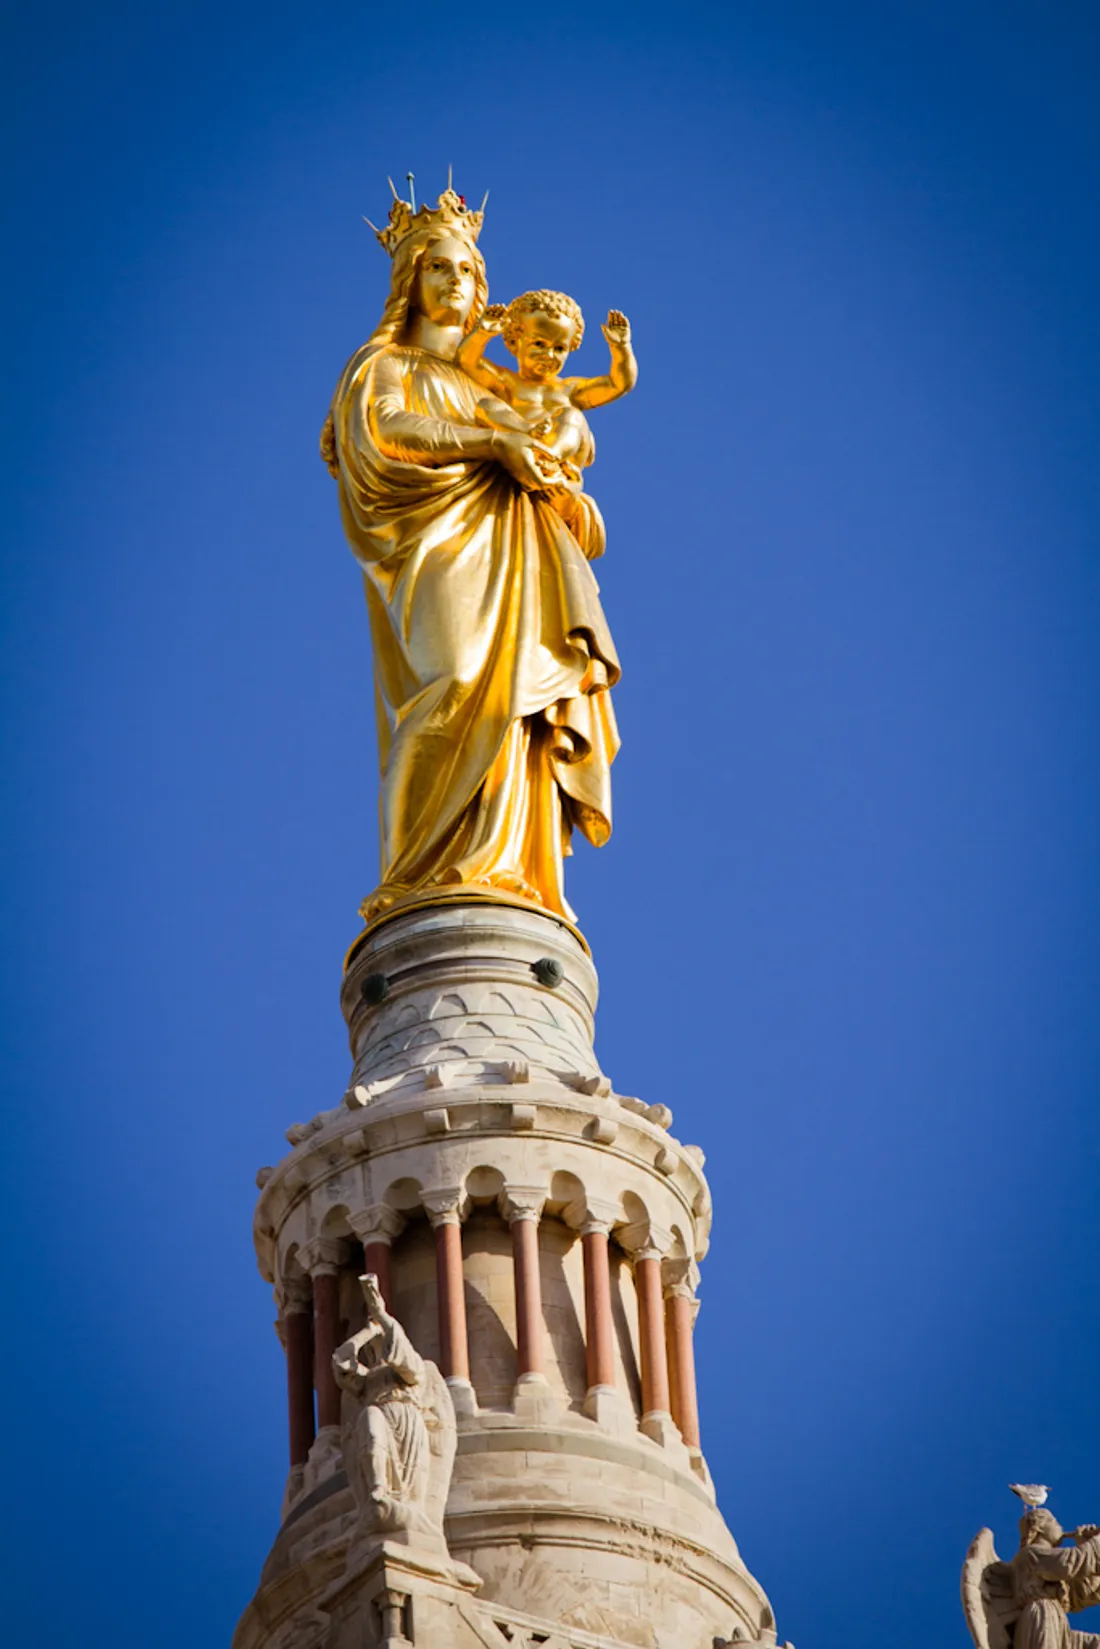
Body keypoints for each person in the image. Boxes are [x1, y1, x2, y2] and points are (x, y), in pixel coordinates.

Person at [321, 188, 622, 926]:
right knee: (453, 679)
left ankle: (508, 863)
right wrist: (493, 444)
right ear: (410, 282)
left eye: (466, 272)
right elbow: (384, 429)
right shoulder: (386, 363)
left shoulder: (490, 385)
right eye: (439, 270)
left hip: (516, 548)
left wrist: (562, 493)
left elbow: (551, 454)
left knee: (519, 702)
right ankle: (414, 872)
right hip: (437, 544)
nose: (456, 284)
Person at [455, 290, 637, 493]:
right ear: (515, 341)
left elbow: (619, 384)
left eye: (559, 349)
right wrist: (483, 332)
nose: (549, 355)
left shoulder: (569, 389)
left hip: (560, 469)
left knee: (573, 415)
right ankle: (528, 434)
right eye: (539, 344)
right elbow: (467, 361)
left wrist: (620, 347)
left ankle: (550, 456)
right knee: (486, 405)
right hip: (519, 451)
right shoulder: (506, 381)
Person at [1011, 1508, 1100, 1649]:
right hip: (1042, 1617)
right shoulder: (1031, 1553)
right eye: (1053, 1521)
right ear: (1039, 1527)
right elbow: (1068, 1563)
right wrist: (1095, 1543)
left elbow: (1081, 1594)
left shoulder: (1051, 1565)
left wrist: (1084, 1544)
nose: (1060, 1526)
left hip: (1057, 1621)